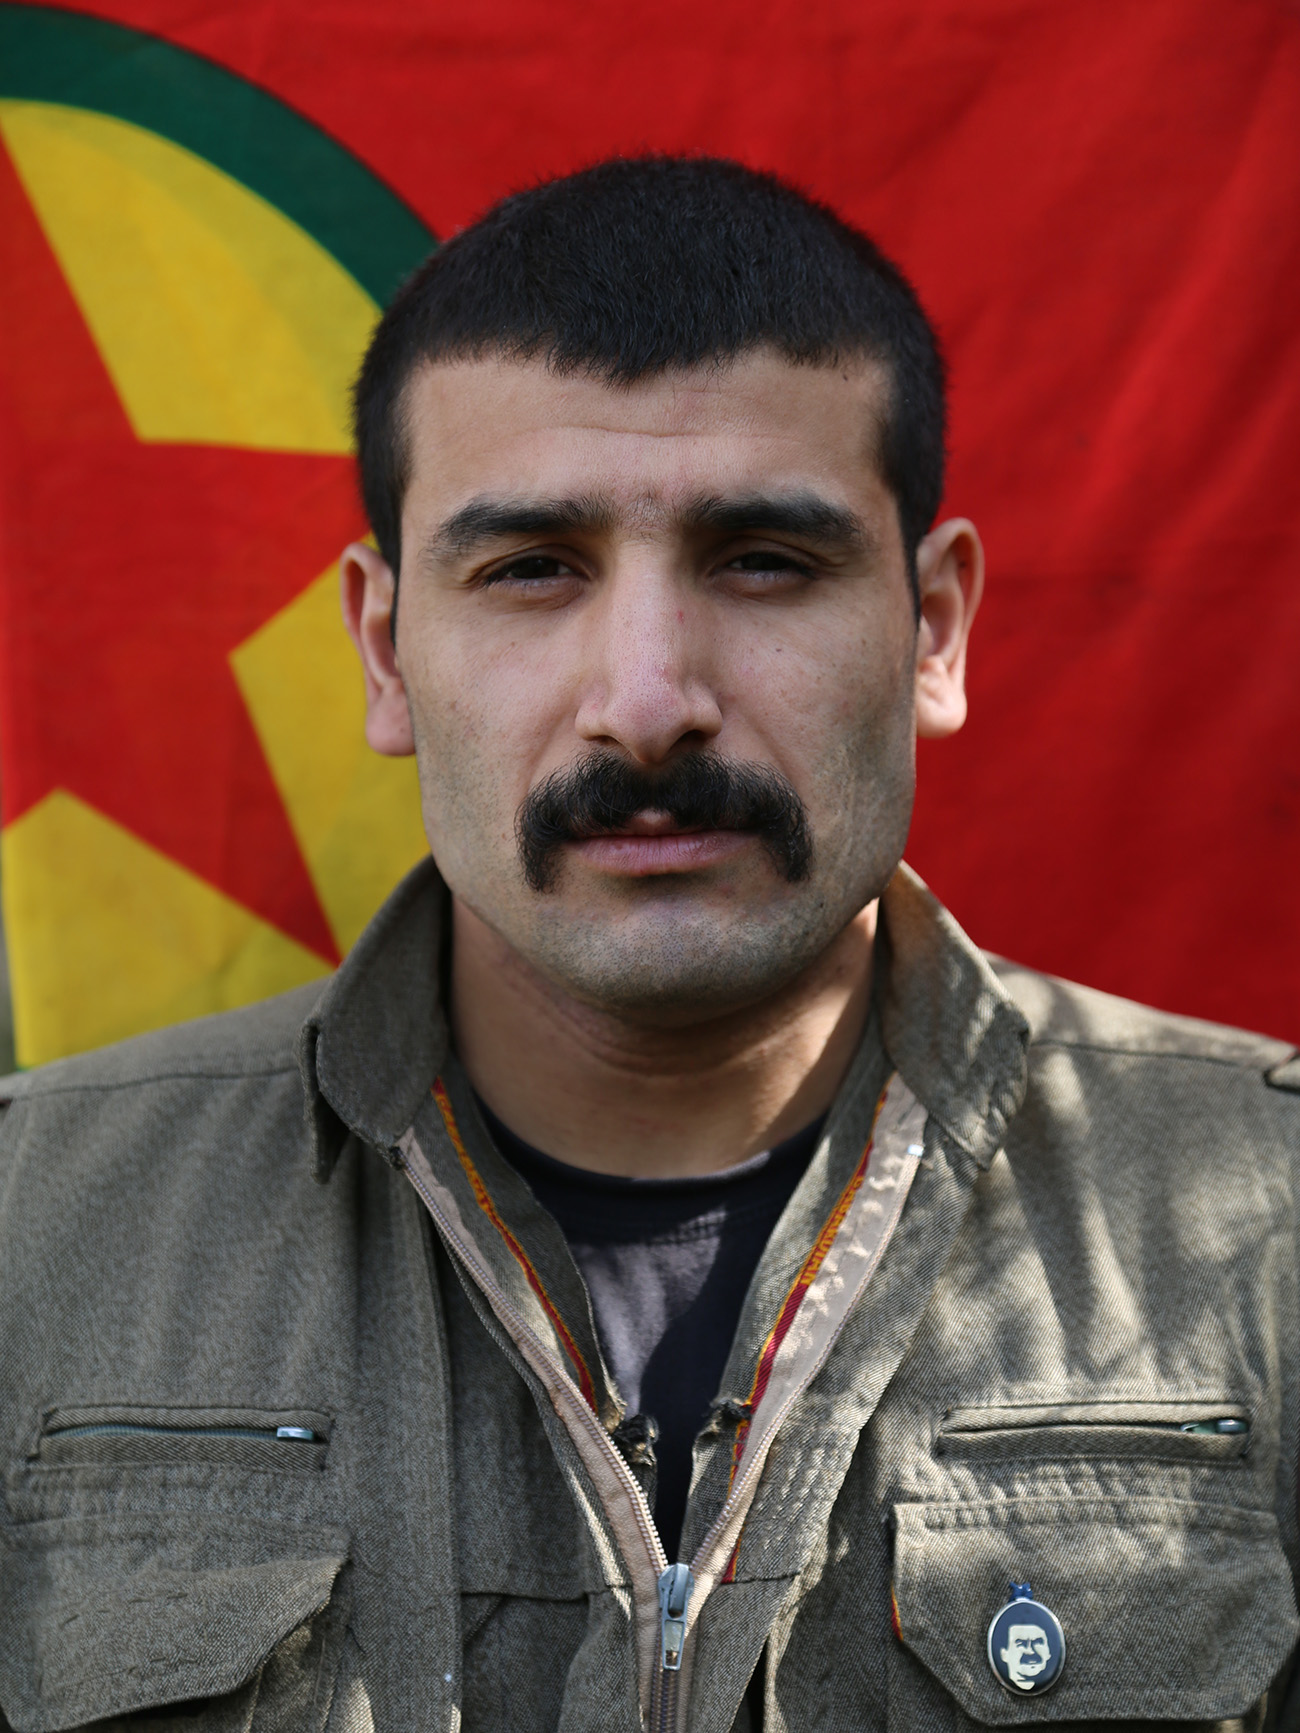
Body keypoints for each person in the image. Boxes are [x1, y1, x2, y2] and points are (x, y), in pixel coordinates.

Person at [1, 156, 1297, 1733]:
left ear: (935, 626)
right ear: (387, 650)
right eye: (531, 569)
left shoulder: (1272, 1224)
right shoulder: (31, 1234)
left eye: (764, 561)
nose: (648, 700)